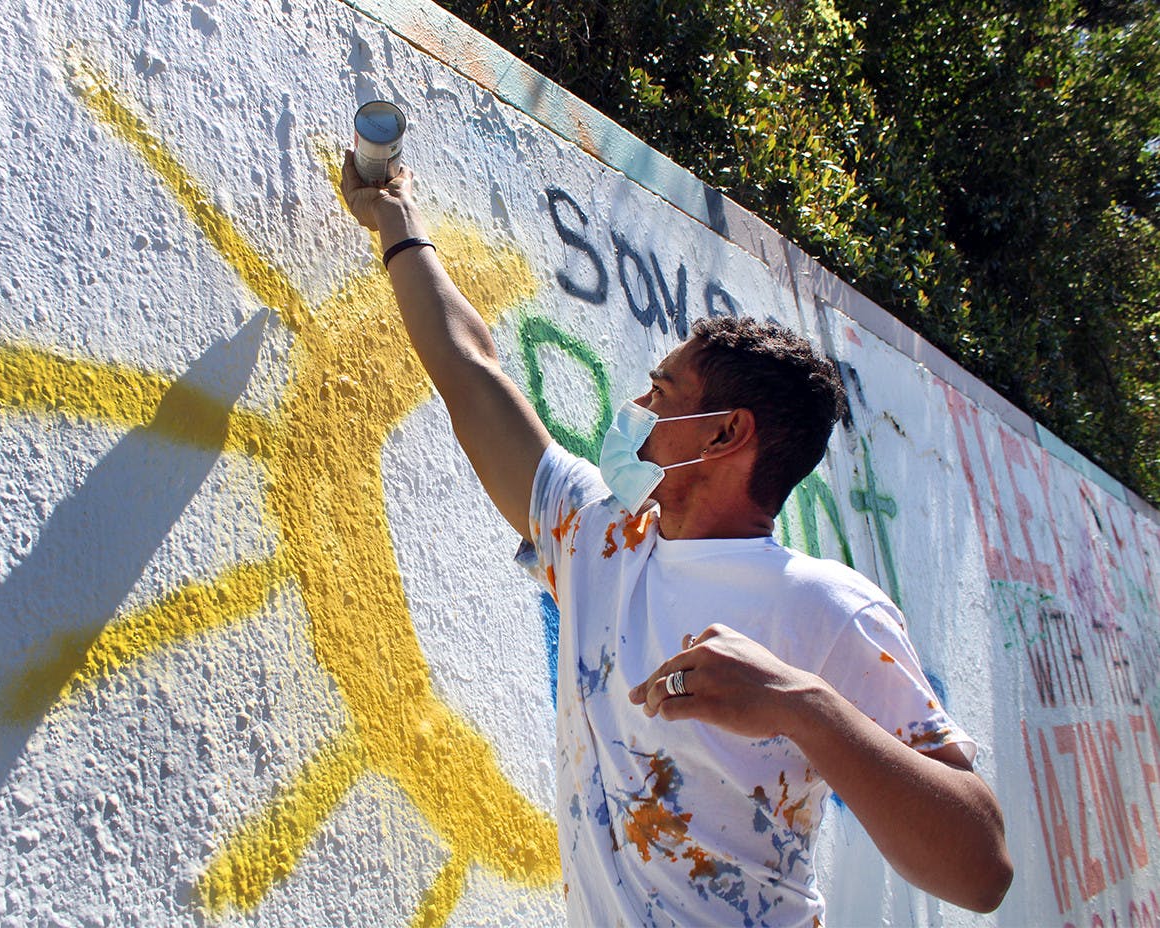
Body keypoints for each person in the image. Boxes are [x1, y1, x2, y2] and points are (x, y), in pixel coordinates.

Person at [341, 155, 1012, 926]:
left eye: (660, 393)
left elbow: (981, 869)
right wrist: (397, 220)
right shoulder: (595, 538)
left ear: (726, 433)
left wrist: (801, 704)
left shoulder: (827, 609)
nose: (633, 405)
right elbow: (470, 369)